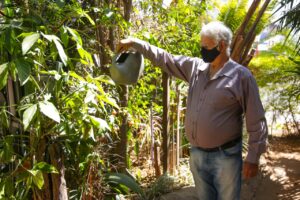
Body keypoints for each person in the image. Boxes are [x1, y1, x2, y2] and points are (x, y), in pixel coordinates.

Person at [117, 21, 268, 200]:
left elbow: (256, 119)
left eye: (206, 46)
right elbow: (166, 58)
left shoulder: (241, 77)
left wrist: (253, 157)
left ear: (221, 46)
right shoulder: (196, 68)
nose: (202, 50)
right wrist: (136, 43)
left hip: (225, 157)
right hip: (197, 156)